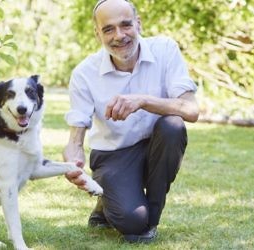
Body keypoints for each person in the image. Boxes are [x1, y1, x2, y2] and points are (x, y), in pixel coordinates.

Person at [63, 0, 199, 243]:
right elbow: (75, 138)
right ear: (98, 34)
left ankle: (151, 224)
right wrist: (73, 160)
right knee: (131, 220)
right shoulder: (84, 73)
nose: (119, 36)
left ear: (138, 23)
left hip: (156, 147)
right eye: (108, 29)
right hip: (114, 155)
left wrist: (143, 101)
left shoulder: (165, 49)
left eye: (126, 25)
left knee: (173, 126)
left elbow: (191, 110)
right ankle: (108, 203)